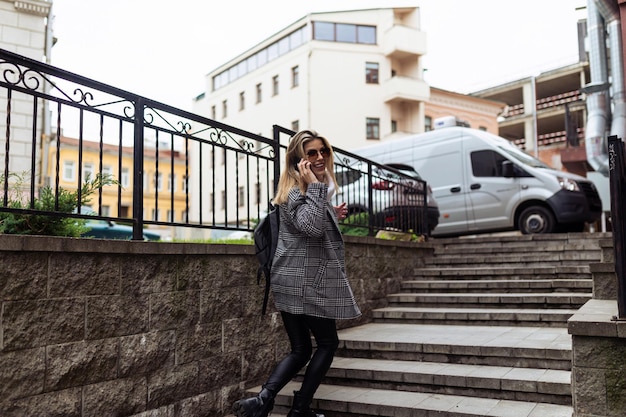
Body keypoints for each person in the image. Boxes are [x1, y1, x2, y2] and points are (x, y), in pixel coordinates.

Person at [232, 130, 361, 417]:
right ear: (298, 160)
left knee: (301, 348)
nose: (319, 158)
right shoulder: (296, 190)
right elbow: (311, 228)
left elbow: (308, 226)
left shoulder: (306, 191)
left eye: (323, 152)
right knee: (327, 343)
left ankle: (262, 400)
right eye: (311, 153)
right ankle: (299, 408)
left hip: (293, 280)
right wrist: (316, 187)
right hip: (305, 282)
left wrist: (330, 212)